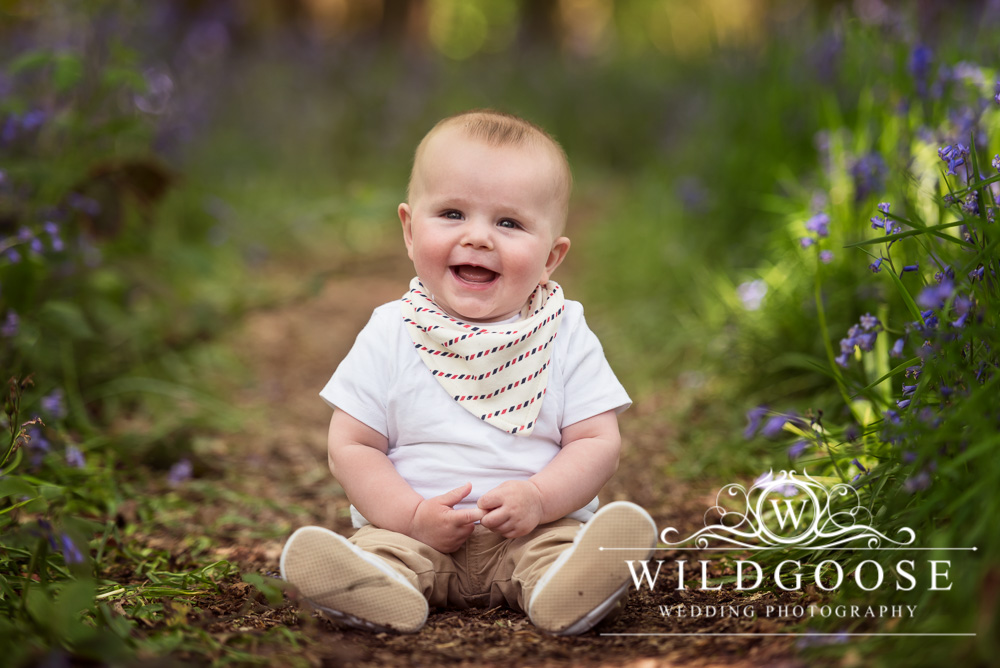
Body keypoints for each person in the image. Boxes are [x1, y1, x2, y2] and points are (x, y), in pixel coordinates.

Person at [280, 109, 657, 635]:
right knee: (384, 552)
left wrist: (540, 498)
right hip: (413, 534)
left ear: (551, 258)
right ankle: (376, 587)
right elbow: (352, 446)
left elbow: (597, 442)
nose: (478, 237)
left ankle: (567, 589)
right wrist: (412, 516)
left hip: (535, 530)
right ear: (409, 230)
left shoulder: (564, 330)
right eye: (452, 213)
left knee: (560, 548)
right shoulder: (391, 330)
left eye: (509, 223)